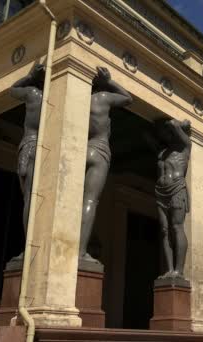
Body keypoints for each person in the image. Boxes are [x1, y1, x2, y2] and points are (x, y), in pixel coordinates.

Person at [80, 66, 132, 264]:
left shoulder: (82, 97)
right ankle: (80, 252)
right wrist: (109, 81)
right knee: (90, 201)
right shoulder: (102, 98)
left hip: (81, 147)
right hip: (99, 150)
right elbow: (127, 98)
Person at [147, 118, 191, 278]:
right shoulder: (162, 152)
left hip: (177, 188)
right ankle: (169, 269)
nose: (163, 135)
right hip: (161, 191)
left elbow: (172, 123)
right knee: (165, 230)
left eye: (165, 132)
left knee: (177, 226)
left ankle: (179, 270)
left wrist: (181, 125)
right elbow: (146, 135)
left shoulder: (185, 147)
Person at [9, 64, 45, 246]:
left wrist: (30, 76)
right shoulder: (48, 96)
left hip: (29, 145)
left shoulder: (32, 93)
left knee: (29, 198)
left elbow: (13, 89)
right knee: (31, 198)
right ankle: (30, 243)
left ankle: (29, 244)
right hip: (43, 146)